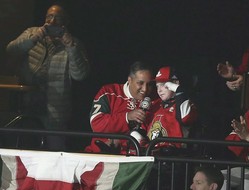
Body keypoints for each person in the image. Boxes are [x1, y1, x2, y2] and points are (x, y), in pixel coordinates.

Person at [6, 4, 90, 151]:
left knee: (55, 152)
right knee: (23, 150)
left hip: (55, 111)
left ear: (65, 22)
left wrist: (71, 47)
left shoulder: (73, 43)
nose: (52, 21)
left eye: (57, 18)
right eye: (49, 17)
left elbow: (80, 75)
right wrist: (34, 38)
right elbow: (11, 50)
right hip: (26, 105)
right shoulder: (32, 33)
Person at [85, 61, 160, 154]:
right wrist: (127, 117)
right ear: (130, 80)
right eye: (140, 83)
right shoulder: (109, 92)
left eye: (149, 84)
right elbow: (96, 124)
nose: (145, 89)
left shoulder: (157, 99)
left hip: (138, 159)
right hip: (103, 155)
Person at [146, 66, 197, 155]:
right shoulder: (155, 105)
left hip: (174, 158)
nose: (159, 90)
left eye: (163, 85)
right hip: (152, 154)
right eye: (157, 86)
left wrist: (178, 90)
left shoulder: (187, 103)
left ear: (175, 83)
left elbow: (185, 118)